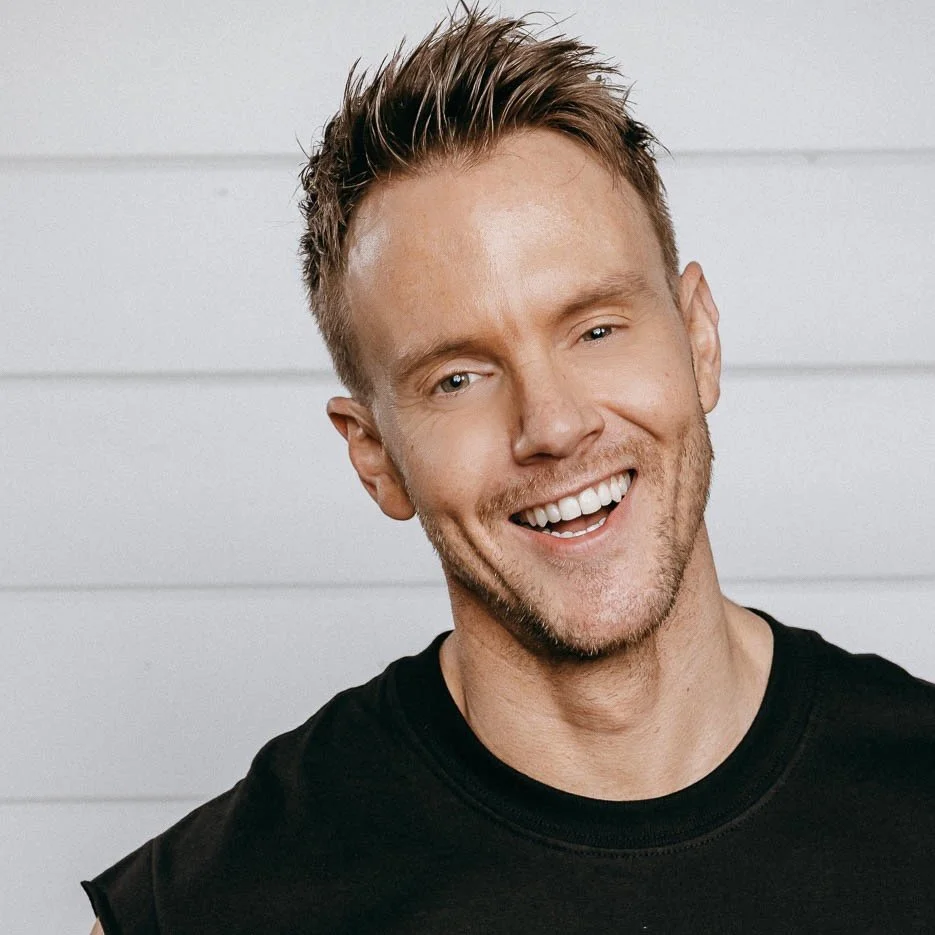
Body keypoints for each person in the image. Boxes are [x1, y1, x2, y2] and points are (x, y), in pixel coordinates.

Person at [83, 8, 935, 933]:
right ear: (374, 457)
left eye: (596, 329)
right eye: (457, 377)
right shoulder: (219, 905)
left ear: (698, 337)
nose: (554, 424)